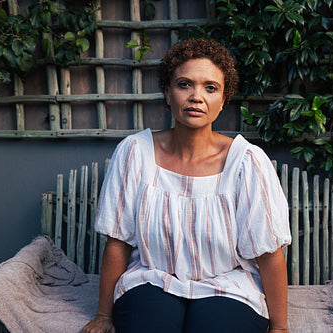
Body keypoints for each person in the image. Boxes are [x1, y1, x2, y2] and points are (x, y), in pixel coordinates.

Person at [82, 38, 291, 333]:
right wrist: (104, 316)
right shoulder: (134, 152)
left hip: (228, 285)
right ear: (168, 93)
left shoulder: (247, 163)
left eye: (210, 87)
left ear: (223, 99)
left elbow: (269, 253)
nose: (196, 97)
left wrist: (280, 327)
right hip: (151, 279)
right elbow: (118, 242)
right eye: (184, 85)